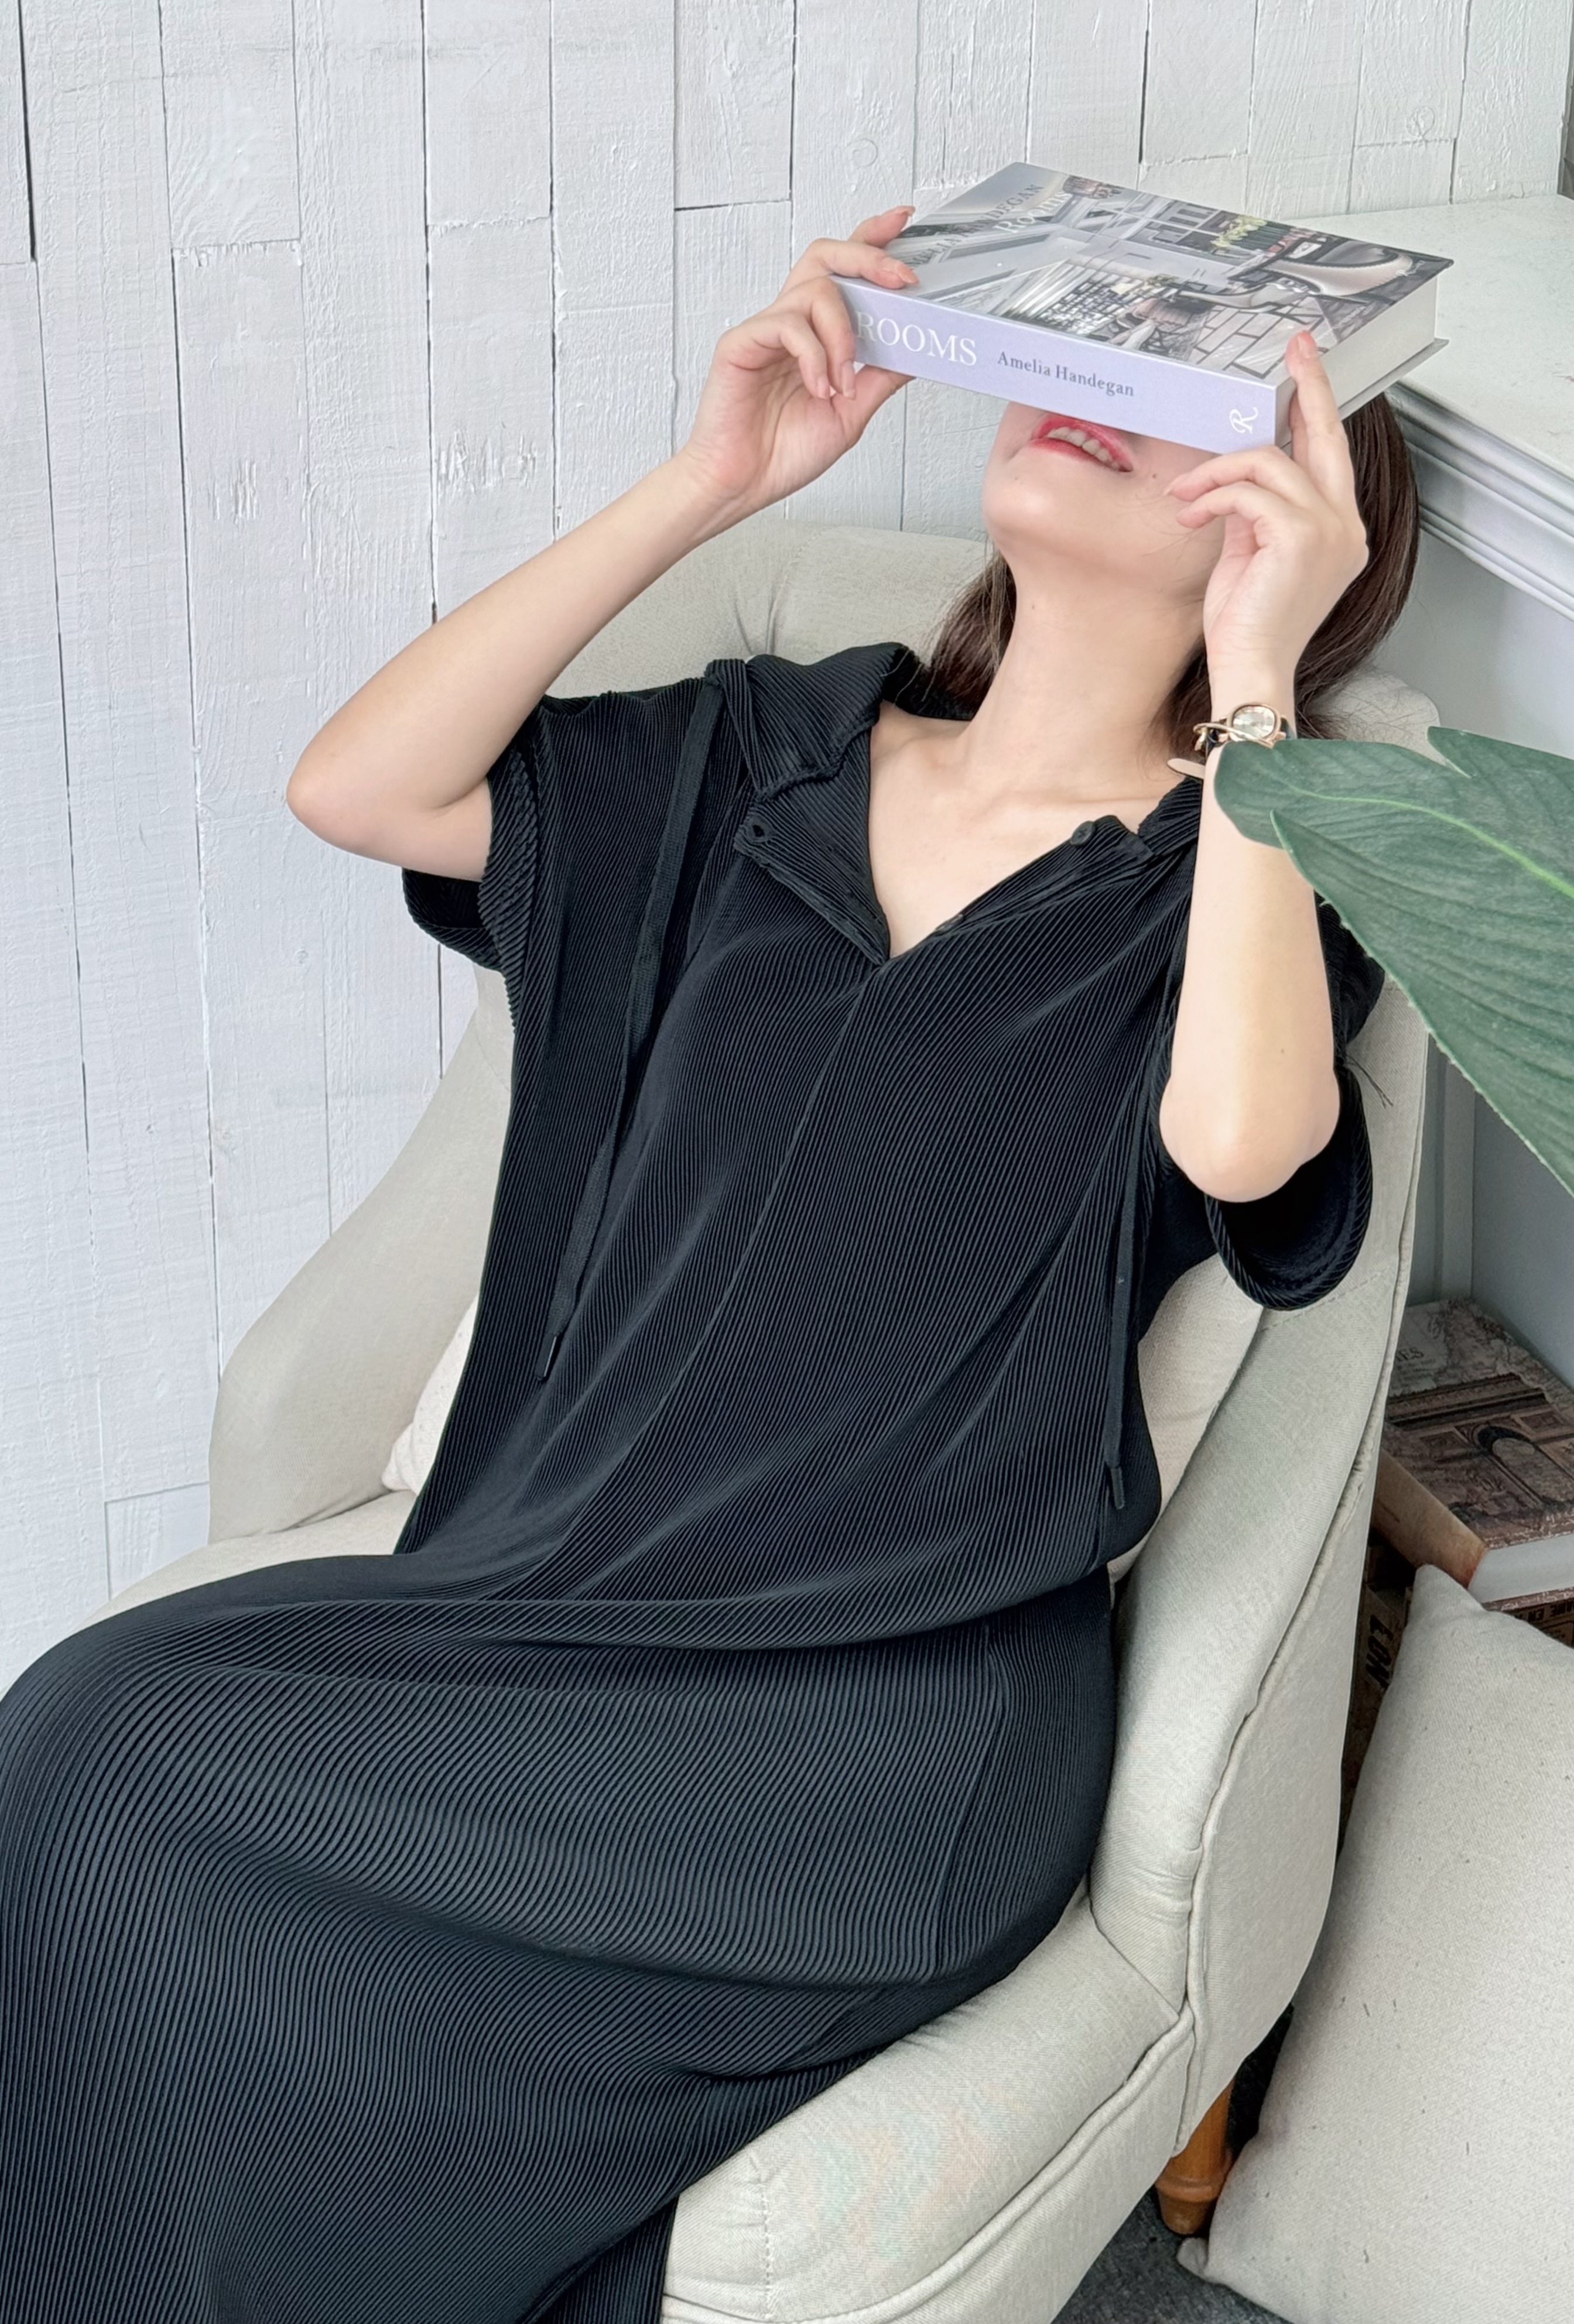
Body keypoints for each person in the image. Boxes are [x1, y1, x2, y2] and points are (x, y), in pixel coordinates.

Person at [0, 203, 1417, 2323]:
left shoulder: (1250, 884)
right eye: (1093, 350)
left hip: (877, 1729)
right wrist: (714, 482)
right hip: (564, 1601)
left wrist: (1261, 689)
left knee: (113, 1770)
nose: (1101, 391)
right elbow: (357, 788)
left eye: (1193, 388)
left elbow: (1241, 1145)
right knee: (90, 1738)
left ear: (1291, 505)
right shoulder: (757, 754)